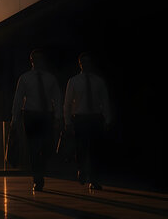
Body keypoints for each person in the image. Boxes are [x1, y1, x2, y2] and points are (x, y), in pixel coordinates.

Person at [12, 49, 62, 191]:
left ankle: (40, 170)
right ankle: (37, 178)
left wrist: (58, 116)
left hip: (46, 114)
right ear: (31, 61)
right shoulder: (25, 78)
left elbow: (57, 97)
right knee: (33, 147)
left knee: (47, 146)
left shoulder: (50, 78)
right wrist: (14, 118)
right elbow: (18, 98)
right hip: (31, 114)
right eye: (36, 59)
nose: (38, 62)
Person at [64, 52, 111, 190]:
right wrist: (68, 121)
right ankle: (82, 169)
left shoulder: (98, 81)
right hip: (80, 117)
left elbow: (105, 101)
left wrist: (107, 118)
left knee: (95, 150)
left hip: (95, 117)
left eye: (88, 62)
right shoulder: (74, 81)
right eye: (83, 62)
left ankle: (93, 178)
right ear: (80, 64)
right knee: (81, 147)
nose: (86, 64)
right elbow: (67, 103)